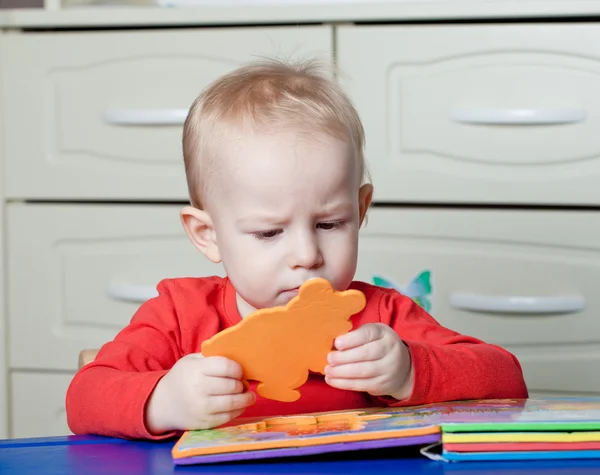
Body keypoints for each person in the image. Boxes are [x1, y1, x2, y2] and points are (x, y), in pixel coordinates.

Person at [66, 58, 528, 440]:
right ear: (207, 234)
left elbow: (508, 379)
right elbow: (84, 399)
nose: (308, 254)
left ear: (361, 207)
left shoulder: (382, 316)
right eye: (269, 233)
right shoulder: (180, 314)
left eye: (330, 223)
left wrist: (409, 370)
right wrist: (163, 401)